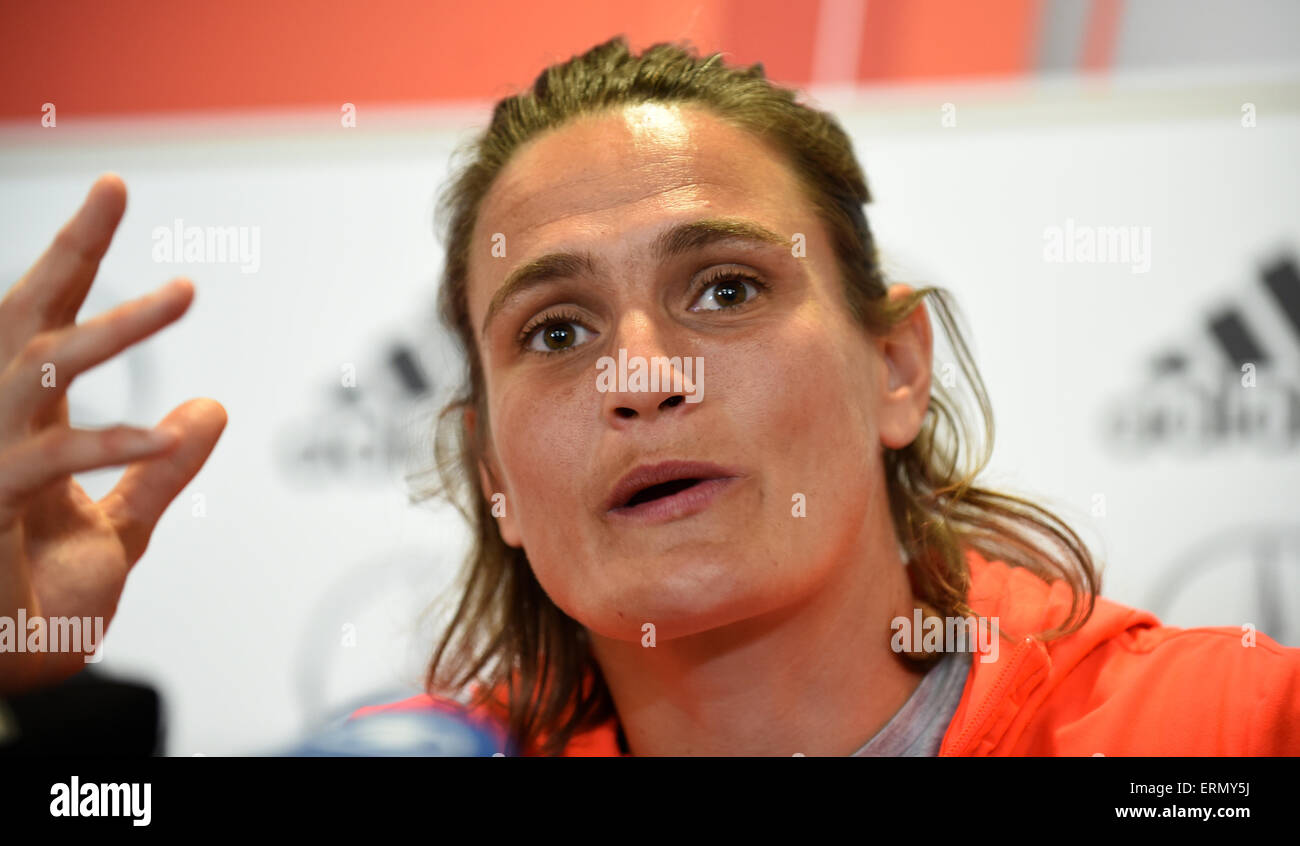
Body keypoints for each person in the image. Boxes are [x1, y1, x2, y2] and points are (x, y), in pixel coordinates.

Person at [2, 36, 1296, 757]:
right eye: (556, 328)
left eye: (726, 290)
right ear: (492, 473)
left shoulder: (1228, 733)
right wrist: (34, 690)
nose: (636, 374)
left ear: (897, 367)